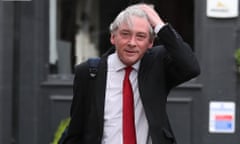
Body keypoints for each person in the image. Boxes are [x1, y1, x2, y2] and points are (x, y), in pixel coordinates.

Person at [63, 3, 200, 144]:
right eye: (125, 34)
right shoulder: (89, 72)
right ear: (113, 37)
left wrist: (159, 25)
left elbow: (191, 67)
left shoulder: (157, 65)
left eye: (140, 36)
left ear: (150, 43)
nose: (132, 43)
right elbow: (76, 130)